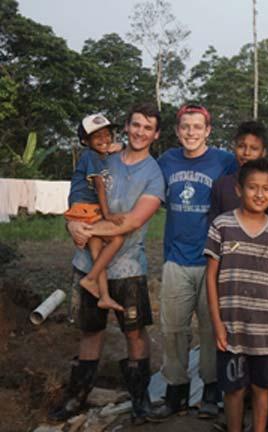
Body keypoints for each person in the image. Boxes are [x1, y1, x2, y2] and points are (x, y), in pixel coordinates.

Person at [50, 103, 165, 425]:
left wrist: (85, 229)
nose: (140, 132)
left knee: (134, 332)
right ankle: (77, 396)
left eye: (148, 128)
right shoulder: (103, 158)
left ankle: (140, 399)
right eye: (136, 125)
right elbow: (79, 198)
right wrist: (72, 222)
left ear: (155, 134)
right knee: (91, 331)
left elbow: (130, 222)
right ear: (126, 127)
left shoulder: (154, 175)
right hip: (87, 262)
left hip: (128, 266)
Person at [152, 104, 237, 421]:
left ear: (208, 131)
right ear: (177, 131)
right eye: (185, 127)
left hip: (211, 259)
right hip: (175, 259)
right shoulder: (166, 162)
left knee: (209, 329)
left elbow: (254, 169)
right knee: (173, 329)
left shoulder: (224, 161)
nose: (191, 132)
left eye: (197, 127)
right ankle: (176, 391)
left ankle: (212, 391)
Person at [205, 158, 268, 432]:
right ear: (238, 190)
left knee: (262, 387)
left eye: (266, 189)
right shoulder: (222, 226)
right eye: (252, 188)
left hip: (266, 328)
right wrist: (218, 324)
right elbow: (211, 276)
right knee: (233, 389)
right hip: (232, 327)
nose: (259, 194)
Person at [64, 113, 125, 312]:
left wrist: (122, 146)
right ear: (85, 141)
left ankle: (103, 295)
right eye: (97, 137)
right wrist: (107, 215)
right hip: (86, 208)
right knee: (116, 239)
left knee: (97, 252)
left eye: (108, 135)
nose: (105, 140)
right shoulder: (91, 156)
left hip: (83, 209)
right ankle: (90, 279)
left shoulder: (100, 155)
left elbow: (123, 150)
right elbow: (99, 185)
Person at [209, 120, 268, 226]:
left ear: (263, 152)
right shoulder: (221, 186)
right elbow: (214, 227)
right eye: (241, 146)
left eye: (254, 148)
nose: (246, 153)